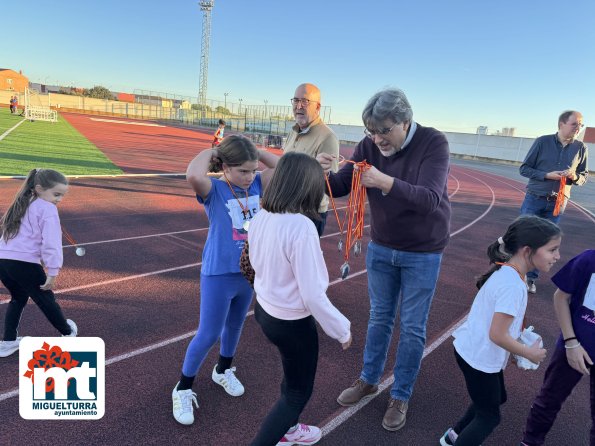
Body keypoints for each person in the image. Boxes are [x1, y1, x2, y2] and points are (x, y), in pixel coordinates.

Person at [318, 88, 451, 431]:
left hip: (423, 251)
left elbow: (431, 199)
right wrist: (321, 173)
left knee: (412, 327)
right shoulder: (368, 146)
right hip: (382, 247)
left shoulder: (434, 143)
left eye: (384, 131)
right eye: (371, 132)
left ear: (405, 121)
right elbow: (340, 186)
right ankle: (368, 379)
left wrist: (385, 181)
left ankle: (401, 394)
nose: (377, 140)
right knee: (379, 317)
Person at [171, 135, 279, 426]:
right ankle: (182, 387)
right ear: (225, 167)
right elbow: (193, 173)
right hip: (218, 273)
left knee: (236, 324)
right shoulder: (215, 189)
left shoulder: (257, 184)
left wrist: (257, 153)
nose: (249, 176)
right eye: (242, 170)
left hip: (247, 271)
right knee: (209, 332)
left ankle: (223, 369)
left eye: (252, 170)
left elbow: (281, 168)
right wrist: (215, 151)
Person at [248, 152, 351, 446]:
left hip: (265, 312)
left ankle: (289, 430)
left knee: (291, 375)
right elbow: (312, 294)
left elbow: (255, 265)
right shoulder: (302, 227)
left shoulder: (261, 216)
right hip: (291, 323)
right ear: (307, 186)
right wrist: (341, 329)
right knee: (297, 394)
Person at [440, 215, 561, 446]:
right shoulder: (513, 285)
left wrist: (515, 351)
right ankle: (455, 439)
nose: (557, 256)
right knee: (489, 417)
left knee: (496, 398)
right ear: (528, 251)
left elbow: (499, 328)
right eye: (552, 249)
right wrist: (527, 353)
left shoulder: (508, 272)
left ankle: (452, 436)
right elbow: (497, 334)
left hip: (474, 351)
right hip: (479, 359)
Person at [520, 249, 595, 446]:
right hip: (575, 345)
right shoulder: (589, 259)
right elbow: (561, 297)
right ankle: (530, 442)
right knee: (549, 400)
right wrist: (571, 343)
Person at [0, 169, 77, 358]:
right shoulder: (47, 208)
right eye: (56, 194)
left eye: (62, 196)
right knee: (46, 299)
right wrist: (53, 271)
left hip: (3, 261)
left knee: (18, 298)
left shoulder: (21, 202)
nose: (59, 199)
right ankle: (67, 333)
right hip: (24, 263)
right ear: (39, 188)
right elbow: (51, 242)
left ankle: (8, 341)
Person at [519, 110, 588, 294]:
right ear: (561, 124)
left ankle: (531, 279)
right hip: (534, 198)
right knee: (525, 237)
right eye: (575, 124)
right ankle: (517, 273)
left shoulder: (581, 148)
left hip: (558, 203)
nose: (578, 128)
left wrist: (574, 176)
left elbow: (583, 176)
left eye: (580, 125)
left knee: (546, 243)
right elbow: (524, 169)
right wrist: (546, 175)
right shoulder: (542, 142)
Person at [284, 83, 339, 236]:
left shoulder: (328, 137)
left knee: (303, 259)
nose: (298, 106)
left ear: (317, 107)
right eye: (295, 100)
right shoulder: (293, 131)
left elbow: (329, 182)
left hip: (309, 214)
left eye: (305, 101)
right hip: (286, 207)